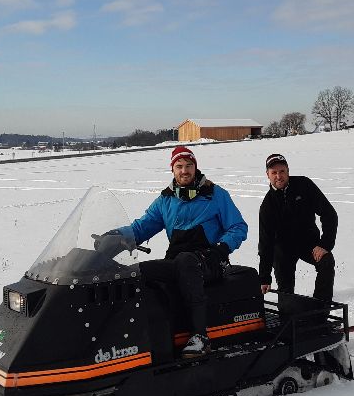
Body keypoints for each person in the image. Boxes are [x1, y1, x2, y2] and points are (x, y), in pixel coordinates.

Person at [98, 146, 247, 358]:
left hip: (212, 262)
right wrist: (114, 236)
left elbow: (238, 227)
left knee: (186, 261)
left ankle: (200, 337)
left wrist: (222, 248)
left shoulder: (215, 195)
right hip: (178, 263)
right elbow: (142, 227)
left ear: (195, 167)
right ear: (172, 169)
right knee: (137, 271)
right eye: (179, 166)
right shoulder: (166, 200)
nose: (184, 171)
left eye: (189, 166)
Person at [258, 153, 338, 302]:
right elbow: (265, 243)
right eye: (274, 173)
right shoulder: (267, 206)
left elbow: (329, 214)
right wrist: (264, 277)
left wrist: (325, 244)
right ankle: (288, 317)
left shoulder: (304, 185)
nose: (279, 176)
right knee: (285, 295)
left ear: (288, 171)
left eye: (282, 171)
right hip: (283, 249)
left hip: (308, 242)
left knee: (326, 260)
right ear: (267, 175)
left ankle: (320, 310)